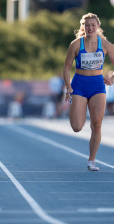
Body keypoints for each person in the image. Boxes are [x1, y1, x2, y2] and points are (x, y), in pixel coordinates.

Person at [63, 13, 114, 171]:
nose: (90, 28)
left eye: (93, 25)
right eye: (87, 25)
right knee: (77, 127)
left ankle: (91, 160)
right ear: (83, 27)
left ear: (98, 26)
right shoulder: (76, 45)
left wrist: (111, 77)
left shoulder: (105, 45)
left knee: (97, 124)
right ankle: (77, 109)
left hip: (98, 86)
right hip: (79, 85)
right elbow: (66, 68)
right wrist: (68, 87)